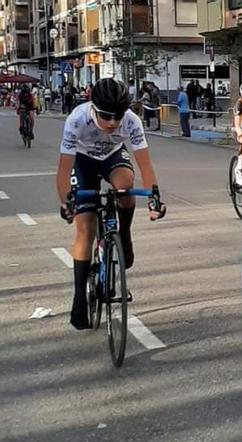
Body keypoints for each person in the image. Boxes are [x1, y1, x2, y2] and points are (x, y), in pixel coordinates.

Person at [55, 78, 167, 330]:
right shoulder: (76, 119)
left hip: (112, 155)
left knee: (125, 185)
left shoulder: (131, 121)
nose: (113, 123)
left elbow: (145, 165)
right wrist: (66, 202)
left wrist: (153, 198)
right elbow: (63, 170)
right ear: (93, 108)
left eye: (118, 116)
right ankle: (79, 298)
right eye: (107, 116)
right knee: (85, 228)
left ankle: (124, 234)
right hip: (82, 161)